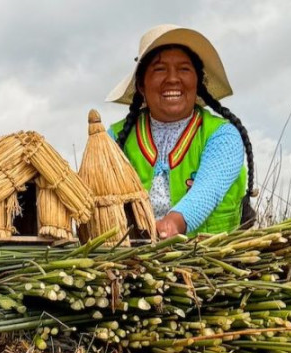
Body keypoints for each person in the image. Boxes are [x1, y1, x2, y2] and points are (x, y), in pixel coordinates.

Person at [106, 25, 256, 238]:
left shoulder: (223, 136)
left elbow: (207, 190)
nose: (173, 79)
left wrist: (171, 225)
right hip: (130, 260)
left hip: (209, 261)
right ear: (141, 84)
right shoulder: (114, 138)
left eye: (184, 69)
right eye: (160, 69)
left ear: (198, 81)